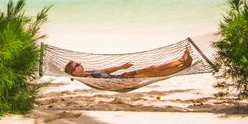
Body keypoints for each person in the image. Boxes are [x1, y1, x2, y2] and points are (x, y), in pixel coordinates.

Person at [64, 46, 192, 79]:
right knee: (155, 73)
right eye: (77, 64)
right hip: (125, 82)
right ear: (74, 71)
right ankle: (183, 65)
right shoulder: (87, 78)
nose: (80, 64)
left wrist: (121, 66)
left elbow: (106, 71)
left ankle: (180, 60)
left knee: (153, 67)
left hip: (123, 76)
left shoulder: (88, 72)